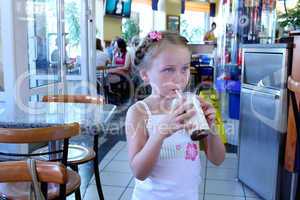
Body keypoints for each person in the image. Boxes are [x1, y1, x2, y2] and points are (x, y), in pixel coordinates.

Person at [125, 31, 225, 200]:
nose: (179, 78)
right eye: (168, 70)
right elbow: (139, 172)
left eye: (184, 68)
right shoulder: (139, 113)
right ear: (145, 74)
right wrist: (160, 134)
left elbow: (217, 159)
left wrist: (212, 126)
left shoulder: (193, 103)